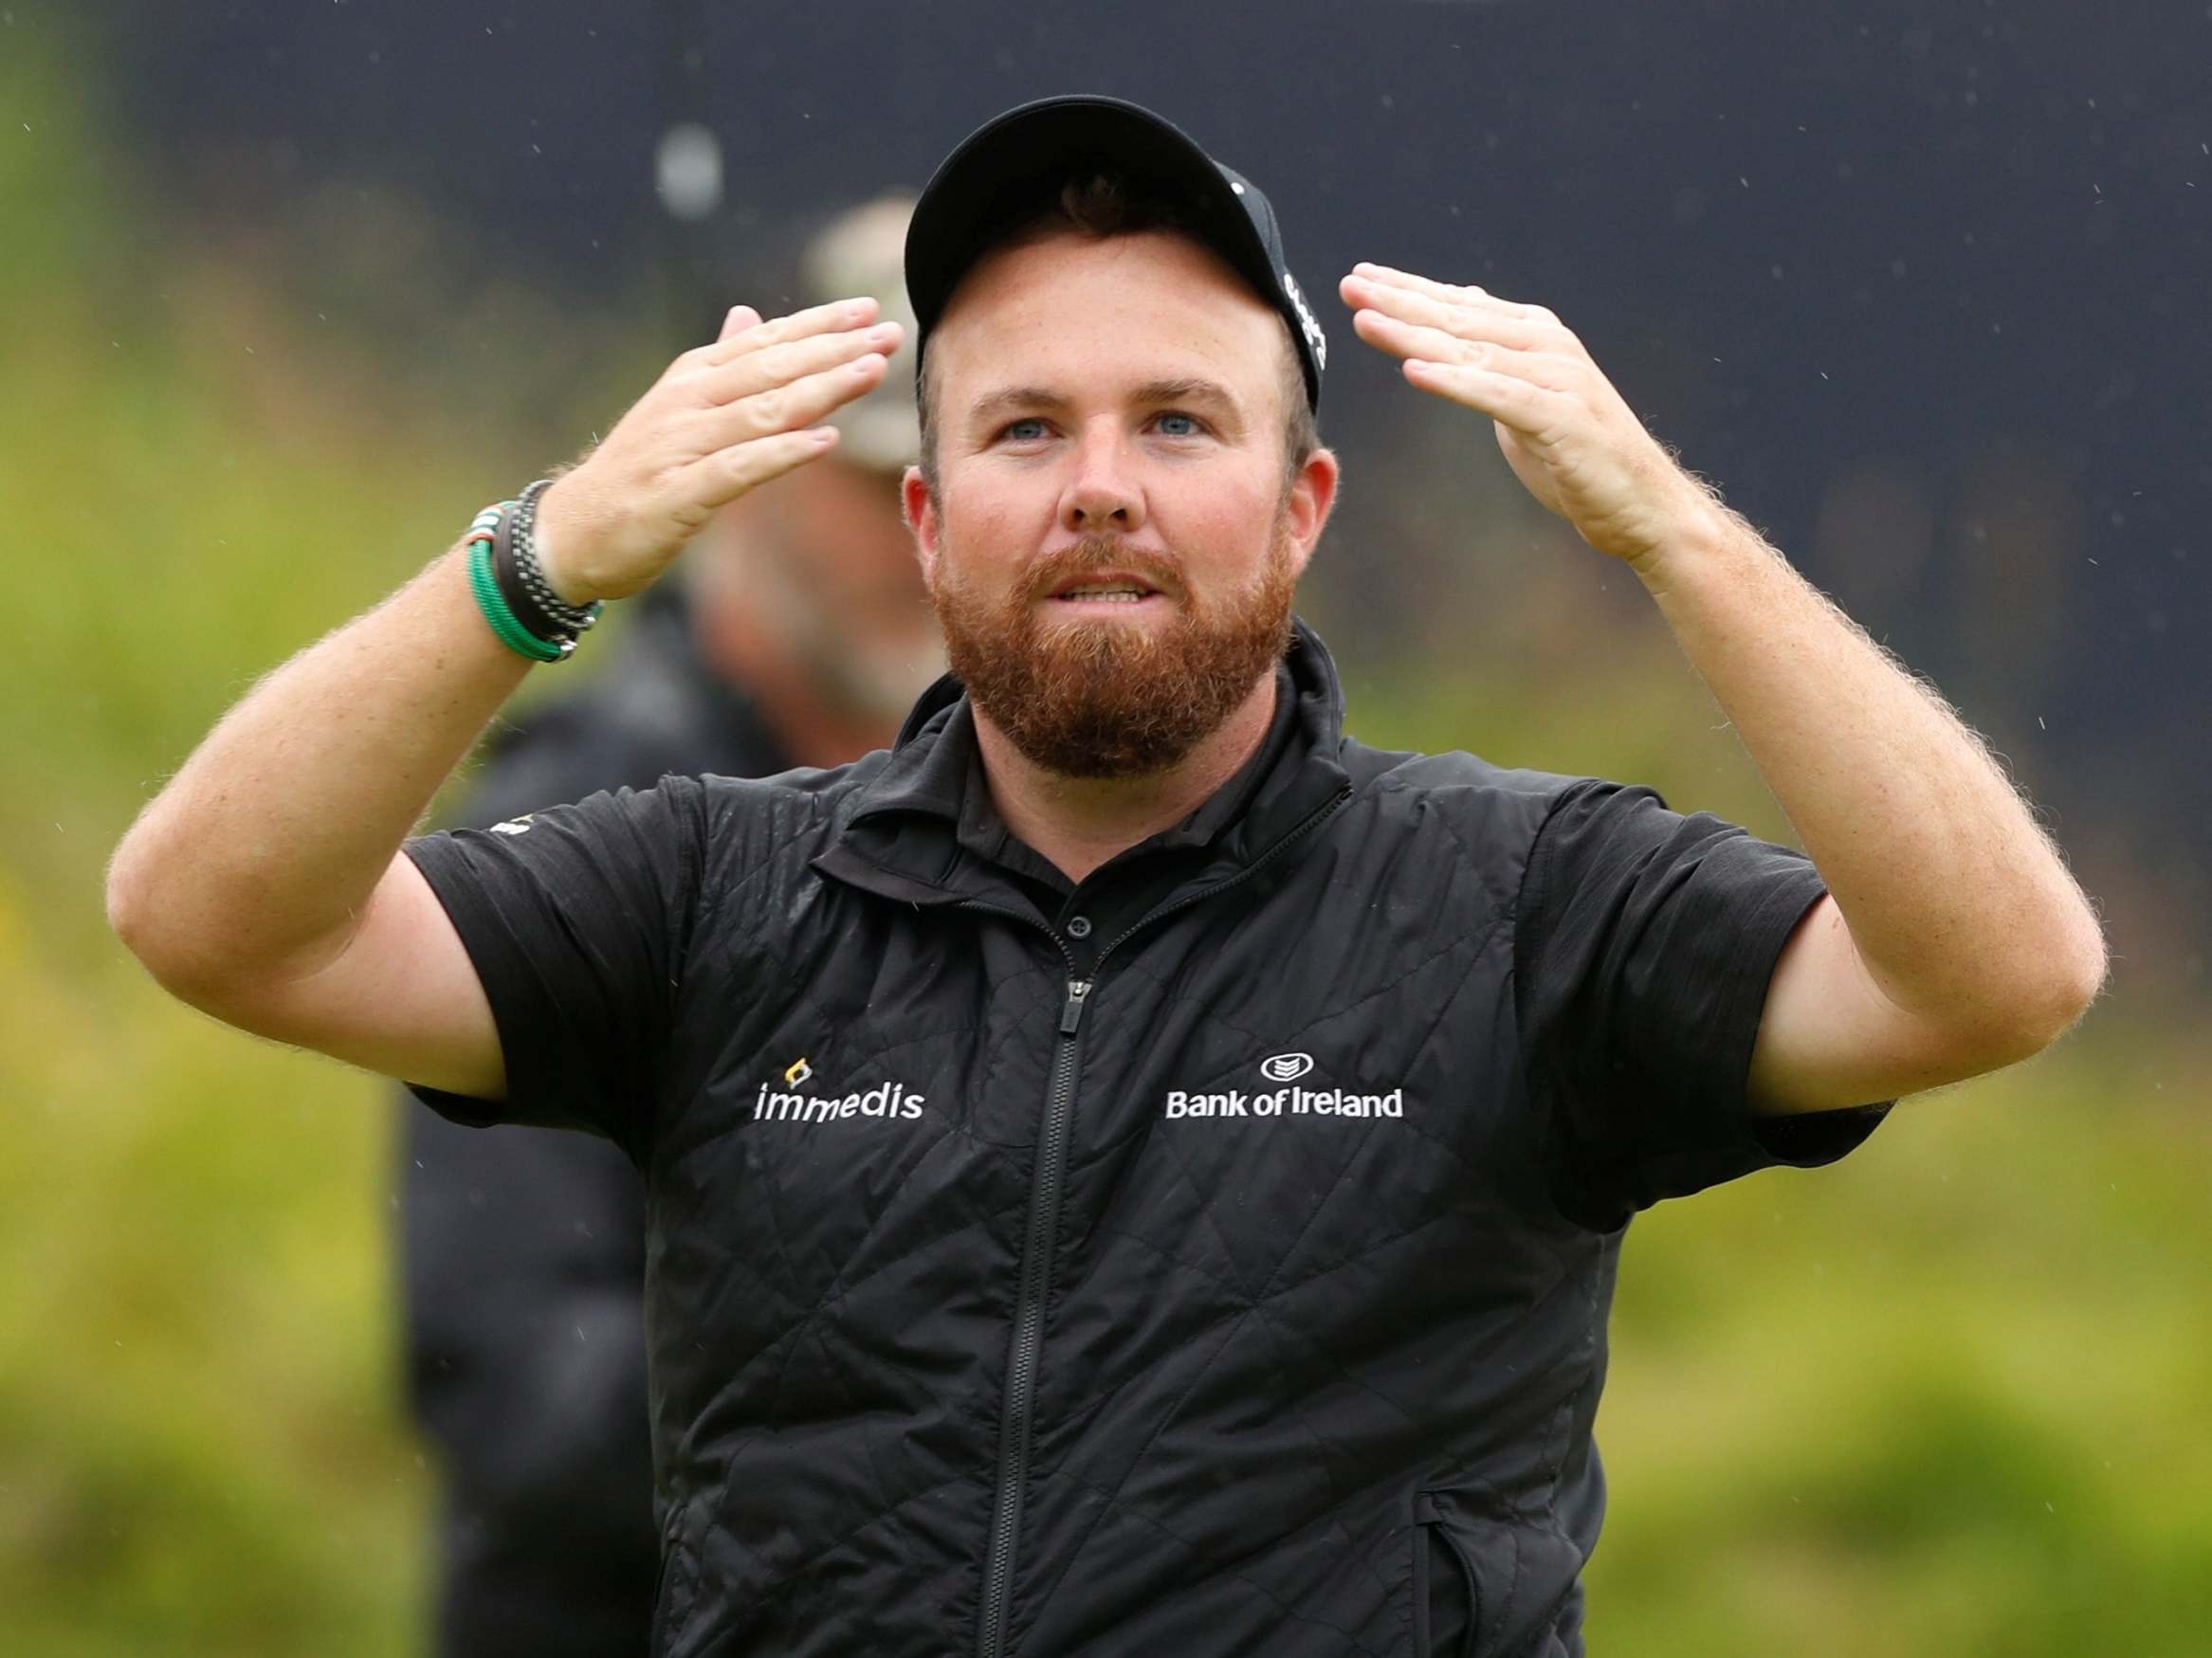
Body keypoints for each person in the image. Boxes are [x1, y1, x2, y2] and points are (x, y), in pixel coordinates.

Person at [109, 95, 2105, 1657]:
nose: (1099, 483)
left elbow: (1996, 972)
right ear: (929, 508)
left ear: (1303, 501)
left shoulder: (1521, 897)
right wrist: (540, 562)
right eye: (1024, 426)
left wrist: (1677, 535)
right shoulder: (718, 887)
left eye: (1179, 419)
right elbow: (207, 913)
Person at [397, 200, 940, 1658]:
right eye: (874, 470)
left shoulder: (1010, 822)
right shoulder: (592, 802)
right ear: (750, 482)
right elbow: (518, 1384)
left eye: (964, 468)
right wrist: (934, 1389)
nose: (919, 526)